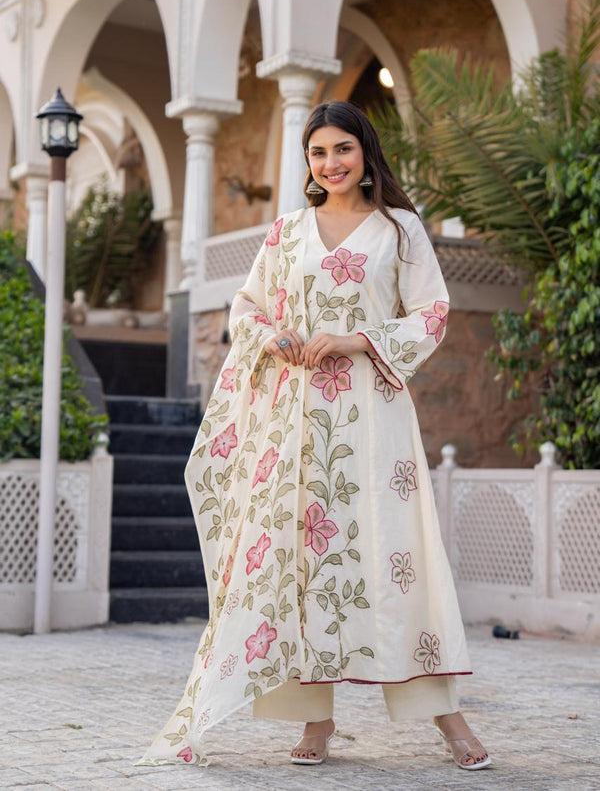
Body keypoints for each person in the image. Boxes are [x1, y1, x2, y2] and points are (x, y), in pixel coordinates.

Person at [137, 100, 491, 772]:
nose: (329, 163)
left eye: (342, 150)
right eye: (317, 152)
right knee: (297, 563)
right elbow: (246, 305)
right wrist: (273, 333)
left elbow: (431, 314)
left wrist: (356, 339)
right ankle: (314, 721)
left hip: (371, 417)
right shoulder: (287, 231)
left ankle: (448, 720)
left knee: (392, 558)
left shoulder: (400, 229)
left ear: (366, 154)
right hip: (293, 419)